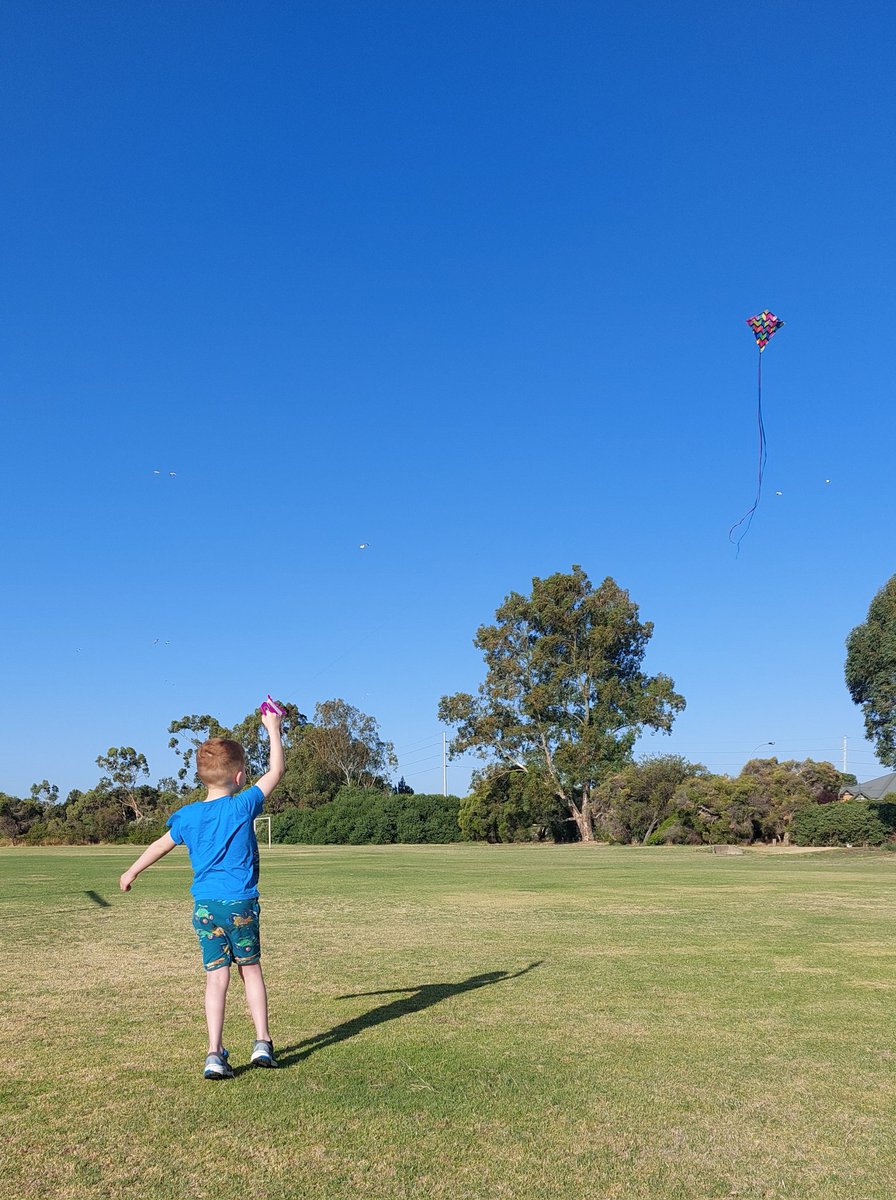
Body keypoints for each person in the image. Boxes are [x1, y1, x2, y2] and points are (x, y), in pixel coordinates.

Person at [119, 706, 285, 1080]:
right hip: (241, 904)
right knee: (250, 970)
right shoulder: (243, 804)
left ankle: (214, 1052)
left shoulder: (188, 816)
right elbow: (276, 771)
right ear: (239, 777)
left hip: (206, 907)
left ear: (201, 776)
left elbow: (160, 845)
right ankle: (262, 1041)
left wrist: (132, 871)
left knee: (216, 978)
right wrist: (273, 728)